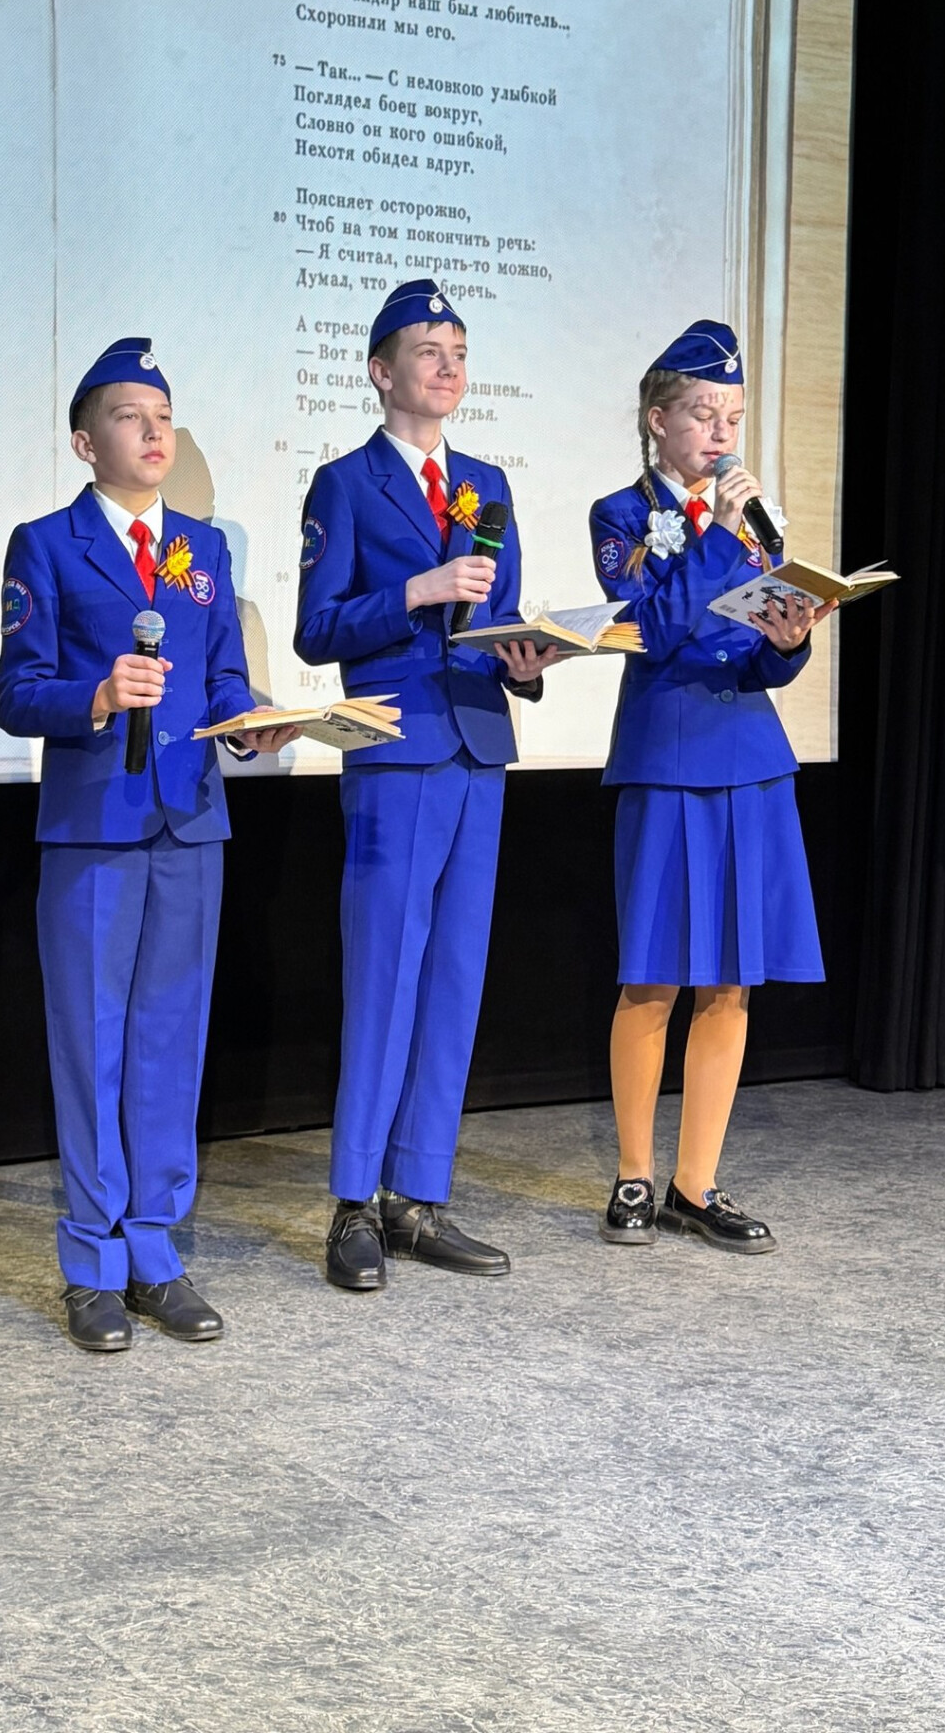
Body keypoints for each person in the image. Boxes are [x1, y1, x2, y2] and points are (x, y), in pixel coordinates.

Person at [0, 338, 295, 1352]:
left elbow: (221, 677)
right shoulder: (47, 544)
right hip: (94, 824)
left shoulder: (202, 549)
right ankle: (91, 1258)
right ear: (86, 442)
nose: (155, 431)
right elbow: (16, 692)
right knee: (92, 1042)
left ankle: (156, 1251)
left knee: (171, 1037)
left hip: (190, 820)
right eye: (131, 415)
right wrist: (93, 694)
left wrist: (252, 720)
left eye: (164, 415)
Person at [294, 278, 564, 1292]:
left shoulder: (487, 484)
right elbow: (317, 629)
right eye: (428, 352)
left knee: (455, 977)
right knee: (385, 979)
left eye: (459, 353)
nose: (448, 368)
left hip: (478, 745)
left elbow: (497, 623)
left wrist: (526, 662)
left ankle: (419, 1195)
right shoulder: (346, 484)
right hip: (398, 750)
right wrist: (416, 589)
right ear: (381, 371)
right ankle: (353, 1204)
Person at [589, 320, 831, 1254]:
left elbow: (756, 656)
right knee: (652, 976)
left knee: (730, 983)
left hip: (750, 759)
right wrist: (721, 535)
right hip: (666, 758)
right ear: (659, 420)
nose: (722, 432)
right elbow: (652, 626)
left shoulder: (757, 525)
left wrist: (789, 642)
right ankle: (634, 1175)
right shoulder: (621, 514)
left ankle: (696, 1183)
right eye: (702, 414)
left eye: (732, 415)